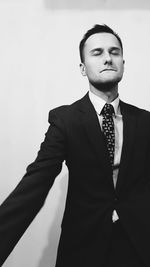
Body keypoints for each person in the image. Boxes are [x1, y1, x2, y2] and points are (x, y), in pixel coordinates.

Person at [0, 24, 150, 267]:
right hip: (83, 247)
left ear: (123, 62)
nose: (108, 58)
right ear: (82, 68)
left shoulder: (145, 121)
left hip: (139, 247)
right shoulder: (65, 120)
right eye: (97, 53)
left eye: (114, 52)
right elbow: (35, 184)